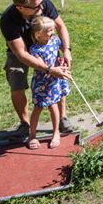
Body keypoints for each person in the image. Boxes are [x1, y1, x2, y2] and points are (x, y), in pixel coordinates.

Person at [0, 0, 74, 141]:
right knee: (17, 85)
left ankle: (63, 118)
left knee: (58, 81)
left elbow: (61, 26)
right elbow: (21, 53)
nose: (41, 7)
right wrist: (48, 69)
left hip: (46, 47)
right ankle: (25, 124)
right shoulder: (8, 20)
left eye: (41, 3)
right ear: (20, 7)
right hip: (21, 53)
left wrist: (66, 49)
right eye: (35, 7)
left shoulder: (43, 3)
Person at [27, 16, 71, 149]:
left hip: (55, 81)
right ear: (38, 34)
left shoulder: (55, 41)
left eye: (52, 30)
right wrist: (54, 69)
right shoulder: (35, 50)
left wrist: (62, 61)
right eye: (49, 31)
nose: (52, 33)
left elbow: (59, 55)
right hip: (42, 82)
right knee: (38, 108)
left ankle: (56, 132)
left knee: (53, 106)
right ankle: (32, 135)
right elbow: (41, 66)